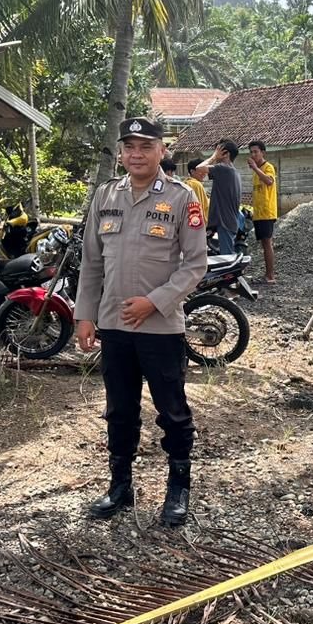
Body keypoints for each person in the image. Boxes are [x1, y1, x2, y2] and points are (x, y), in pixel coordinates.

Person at [75, 117, 208, 527]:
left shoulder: (182, 198)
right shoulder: (105, 196)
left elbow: (195, 265)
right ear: (120, 152)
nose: (136, 154)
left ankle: (178, 488)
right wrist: (84, 314)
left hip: (160, 327)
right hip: (114, 326)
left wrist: (154, 302)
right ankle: (120, 488)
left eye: (145, 146)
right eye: (129, 146)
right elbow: (92, 262)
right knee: (120, 409)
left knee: (172, 410)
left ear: (162, 151)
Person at [246, 140, 278, 283]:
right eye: (251, 152)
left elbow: (269, 181)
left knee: (267, 243)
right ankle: (267, 274)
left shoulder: (268, 167)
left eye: (256, 152)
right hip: (258, 213)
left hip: (267, 212)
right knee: (264, 244)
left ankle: (270, 276)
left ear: (262, 153)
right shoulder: (255, 172)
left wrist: (255, 168)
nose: (253, 155)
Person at [205, 139, 242, 255]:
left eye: (218, 150)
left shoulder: (223, 169)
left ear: (226, 154)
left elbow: (198, 169)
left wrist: (213, 157)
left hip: (225, 222)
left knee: (227, 260)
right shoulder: (233, 171)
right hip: (226, 220)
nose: (216, 153)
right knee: (226, 256)